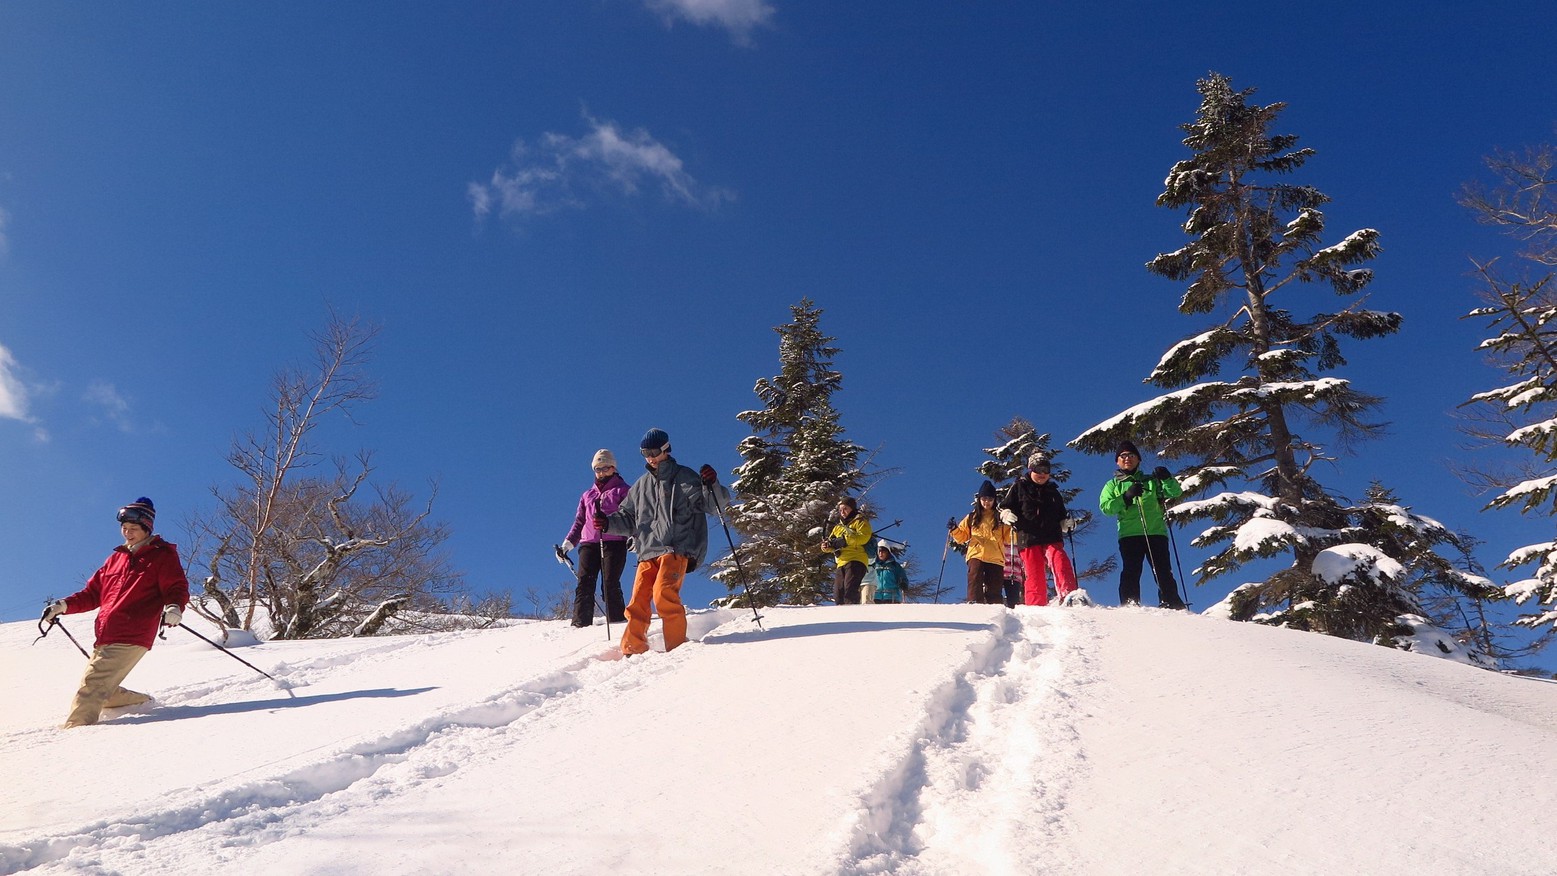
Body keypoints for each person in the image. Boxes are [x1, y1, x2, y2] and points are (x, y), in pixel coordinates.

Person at [40, 497, 190, 728]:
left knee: (92, 685)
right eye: (124, 528)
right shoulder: (115, 559)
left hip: (133, 631)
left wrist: (174, 607)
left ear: (147, 528)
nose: (127, 533)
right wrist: (63, 605)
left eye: (133, 529)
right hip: (107, 633)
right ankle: (142, 702)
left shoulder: (161, 555)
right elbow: (92, 594)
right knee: (103, 689)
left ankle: (75, 734)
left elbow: (175, 587)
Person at [595, 428, 731, 655]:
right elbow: (627, 518)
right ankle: (632, 648)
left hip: (676, 548)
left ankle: (676, 647)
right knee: (637, 601)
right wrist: (606, 523)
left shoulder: (685, 477)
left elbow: (712, 505)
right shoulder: (640, 486)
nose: (650, 457)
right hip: (647, 550)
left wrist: (712, 483)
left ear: (666, 449)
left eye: (654, 451)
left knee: (663, 594)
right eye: (645, 453)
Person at [1099, 441, 1187, 609]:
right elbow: (1106, 508)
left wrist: (1167, 478)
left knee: (1162, 570)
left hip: (1156, 532)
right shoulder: (1112, 485)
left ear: (1138, 459)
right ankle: (1130, 602)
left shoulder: (1151, 481)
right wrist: (1126, 497)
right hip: (1129, 534)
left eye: (1131, 455)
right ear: (1117, 461)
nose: (1127, 459)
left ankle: (1171, 601)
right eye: (1122, 456)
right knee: (1131, 570)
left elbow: (1175, 492)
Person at [560, 449, 630, 628]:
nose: (601, 472)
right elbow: (579, 521)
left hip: (614, 542)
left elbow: (631, 516)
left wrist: (632, 536)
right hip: (588, 543)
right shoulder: (587, 495)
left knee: (610, 582)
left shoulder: (623, 490)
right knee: (585, 582)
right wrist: (568, 544)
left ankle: (617, 621)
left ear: (613, 468)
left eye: (605, 468)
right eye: (597, 469)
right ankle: (580, 623)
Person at [999, 452, 1079, 606]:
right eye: (1038, 469)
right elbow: (1004, 506)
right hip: (1029, 537)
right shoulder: (1019, 486)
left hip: (1051, 535)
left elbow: (1062, 514)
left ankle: (1069, 595)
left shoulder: (1053, 492)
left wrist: (1066, 522)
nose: (1042, 474)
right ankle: (1036, 604)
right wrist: (1006, 513)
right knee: (1034, 572)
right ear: (1030, 469)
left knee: (1060, 561)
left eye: (1046, 470)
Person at [949, 480, 1015, 605]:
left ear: (994, 500)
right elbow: (962, 537)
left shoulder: (999, 517)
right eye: (984, 499)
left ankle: (995, 608)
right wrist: (954, 529)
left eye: (990, 499)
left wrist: (1013, 526)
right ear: (979, 499)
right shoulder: (972, 517)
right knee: (975, 578)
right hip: (976, 553)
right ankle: (974, 604)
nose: (987, 502)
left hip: (995, 556)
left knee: (994, 587)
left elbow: (1009, 538)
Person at [820, 496, 872, 605]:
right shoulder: (838, 527)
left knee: (850, 590)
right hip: (841, 561)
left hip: (856, 559)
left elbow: (864, 537)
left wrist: (845, 540)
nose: (842, 512)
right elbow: (830, 543)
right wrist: (826, 547)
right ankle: (842, 617)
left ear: (852, 508)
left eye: (845, 509)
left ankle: (852, 616)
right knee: (838, 593)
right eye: (840, 510)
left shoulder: (860, 521)